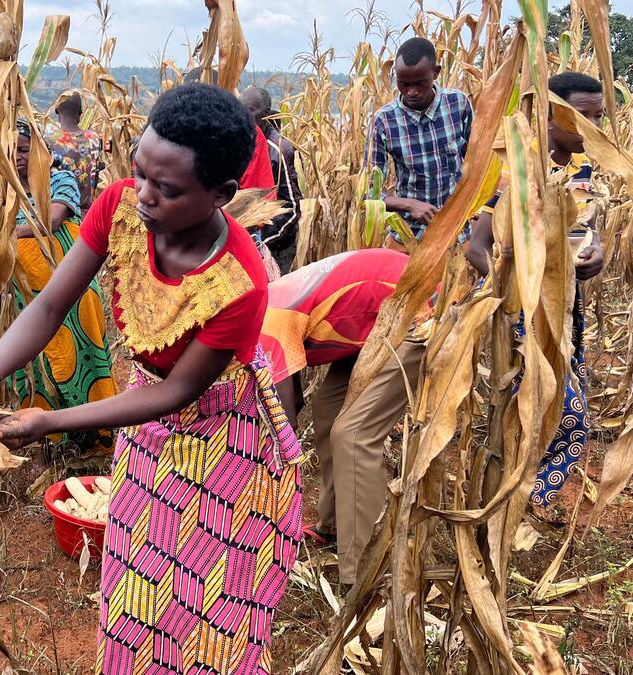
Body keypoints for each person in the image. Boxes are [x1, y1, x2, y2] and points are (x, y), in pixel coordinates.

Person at [0, 84, 302, 673]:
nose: (143, 196)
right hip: (147, 425)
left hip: (225, 439)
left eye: (167, 189)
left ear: (221, 194)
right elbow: (49, 307)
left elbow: (178, 393)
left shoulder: (238, 280)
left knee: (207, 607)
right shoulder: (120, 207)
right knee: (136, 592)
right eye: (140, 172)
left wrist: (50, 422)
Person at [465, 71, 607, 508]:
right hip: (525, 313)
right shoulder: (514, 171)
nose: (594, 128)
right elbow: (476, 247)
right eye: (583, 117)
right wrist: (515, 293)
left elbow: (588, 231)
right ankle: (518, 495)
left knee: (547, 410)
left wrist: (596, 254)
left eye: (599, 117)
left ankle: (517, 499)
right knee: (560, 413)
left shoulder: (584, 166)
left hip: (566, 309)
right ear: (549, 117)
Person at [258, 248, 425, 587]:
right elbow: (295, 397)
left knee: (353, 434)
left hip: (417, 313)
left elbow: (284, 421)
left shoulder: (266, 323)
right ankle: (334, 525)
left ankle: (363, 568)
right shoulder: (267, 308)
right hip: (372, 321)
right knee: (328, 414)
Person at [11, 119, 116, 452]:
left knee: (84, 359)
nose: (18, 157)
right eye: (12, 150)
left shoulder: (60, 180)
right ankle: (56, 439)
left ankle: (96, 438)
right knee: (42, 364)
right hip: (29, 296)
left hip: (72, 292)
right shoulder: (7, 192)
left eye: (25, 150)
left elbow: (53, 220)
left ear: (42, 151)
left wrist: (6, 233)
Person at [366, 37, 473, 244]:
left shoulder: (458, 105)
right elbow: (368, 194)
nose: (411, 92)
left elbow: (476, 163)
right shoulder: (384, 121)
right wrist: (410, 205)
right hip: (407, 237)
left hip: (457, 233)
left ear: (436, 73)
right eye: (403, 84)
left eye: (420, 83)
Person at [241, 86, 303, 274]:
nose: (244, 116)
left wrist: (259, 240)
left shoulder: (279, 150)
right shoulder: (239, 142)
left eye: (250, 111)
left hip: (276, 246)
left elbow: (292, 208)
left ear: (266, 114)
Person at [44, 91, 104, 211]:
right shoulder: (94, 138)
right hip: (87, 213)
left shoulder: (49, 141)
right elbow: (97, 173)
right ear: (79, 115)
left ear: (58, 114)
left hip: (62, 214)